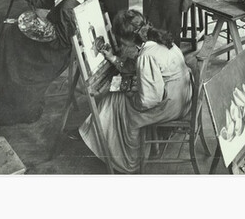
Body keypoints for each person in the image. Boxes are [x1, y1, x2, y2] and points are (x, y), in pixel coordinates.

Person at [78, 10, 193, 173]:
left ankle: (128, 162)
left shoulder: (146, 56)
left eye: (122, 43)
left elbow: (148, 101)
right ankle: (94, 133)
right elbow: (144, 73)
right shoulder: (160, 39)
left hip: (171, 105)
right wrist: (113, 58)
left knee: (115, 101)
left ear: (127, 40)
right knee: (119, 96)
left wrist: (131, 94)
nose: (121, 46)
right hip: (184, 95)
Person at [0, 0, 87, 125]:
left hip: (56, 54)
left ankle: (21, 107)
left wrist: (39, 29)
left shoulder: (66, 6)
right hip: (57, 43)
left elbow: (62, 42)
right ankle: (10, 90)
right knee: (13, 35)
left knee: (16, 51)